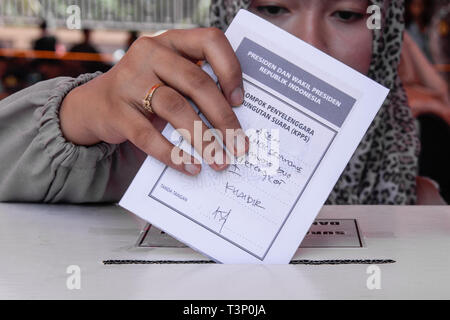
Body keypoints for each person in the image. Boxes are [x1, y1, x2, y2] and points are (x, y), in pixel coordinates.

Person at [0, 0, 430, 204]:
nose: (308, 45)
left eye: (347, 14)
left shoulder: (422, 213)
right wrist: (79, 115)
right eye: (274, 8)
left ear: (386, 37)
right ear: (228, 19)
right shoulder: (150, 152)